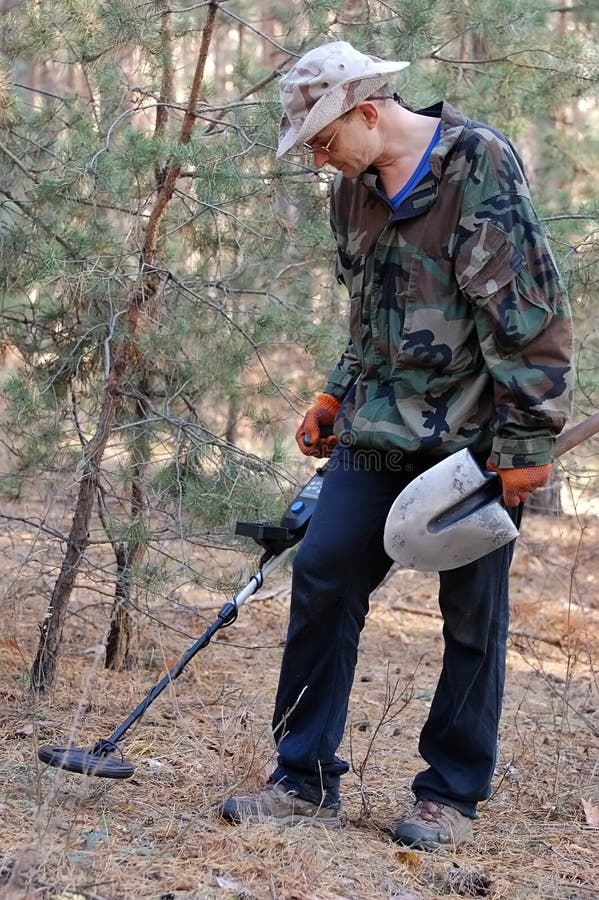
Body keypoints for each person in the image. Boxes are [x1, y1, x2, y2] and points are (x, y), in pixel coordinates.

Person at [220, 41, 573, 849]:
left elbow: (530, 313)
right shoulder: (349, 193)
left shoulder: (476, 163)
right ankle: (302, 779)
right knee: (322, 573)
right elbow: (370, 319)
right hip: (377, 430)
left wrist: (524, 441)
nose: (319, 158)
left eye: (322, 138)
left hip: (474, 441)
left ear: (367, 111)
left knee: (471, 617)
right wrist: (335, 390)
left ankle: (449, 793)